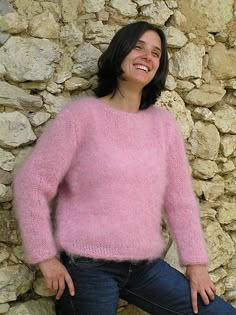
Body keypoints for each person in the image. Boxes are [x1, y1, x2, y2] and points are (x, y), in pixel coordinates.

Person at [14, 21, 236, 315]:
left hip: (145, 268)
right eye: (138, 47)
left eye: (156, 53)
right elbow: (32, 182)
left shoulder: (163, 126)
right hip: (88, 269)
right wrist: (44, 257)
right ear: (120, 52)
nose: (148, 56)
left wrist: (196, 265)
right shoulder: (82, 117)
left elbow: (180, 201)